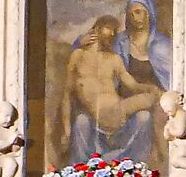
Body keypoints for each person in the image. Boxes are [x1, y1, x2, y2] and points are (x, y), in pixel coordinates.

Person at [62, 15, 160, 165]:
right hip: (94, 121)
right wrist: (67, 129)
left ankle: (135, 166)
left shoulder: (115, 59)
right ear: (96, 29)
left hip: (119, 115)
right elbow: (67, 94)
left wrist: (150, 88)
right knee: (81, 121)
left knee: (145, 116)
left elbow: (132, 85)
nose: (113, 34)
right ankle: (83, 169)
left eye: (115, 30)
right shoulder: (78, 56)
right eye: (109, 28)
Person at [116, 0, 172, 90]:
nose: (135, 18)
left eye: (138, 12)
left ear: (148, 13)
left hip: (157, 96)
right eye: (131, 15)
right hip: (127, 95)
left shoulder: (162, 44)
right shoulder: (121, 42)